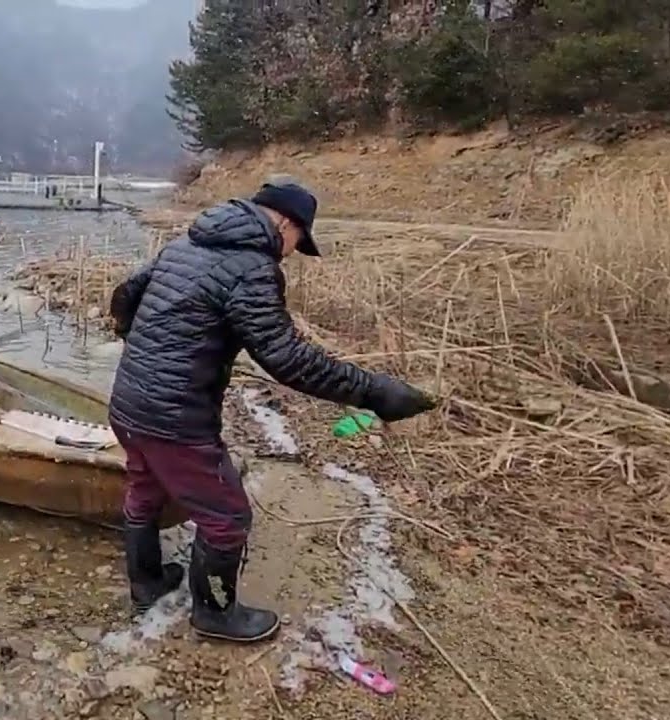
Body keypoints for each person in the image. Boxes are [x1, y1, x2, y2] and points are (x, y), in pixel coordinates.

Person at [107, 180, 436, 643]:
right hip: (175, 420)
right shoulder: (251, 266)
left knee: (145, 488)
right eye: (298, 243)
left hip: (128, 401)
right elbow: (286, 358)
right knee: (227, 516)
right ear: (285, 223)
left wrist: (141, 346)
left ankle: (146, 583)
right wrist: (374, 392)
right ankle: (214, 614)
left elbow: (126, 294)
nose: (291, 254)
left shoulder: (189, 241)